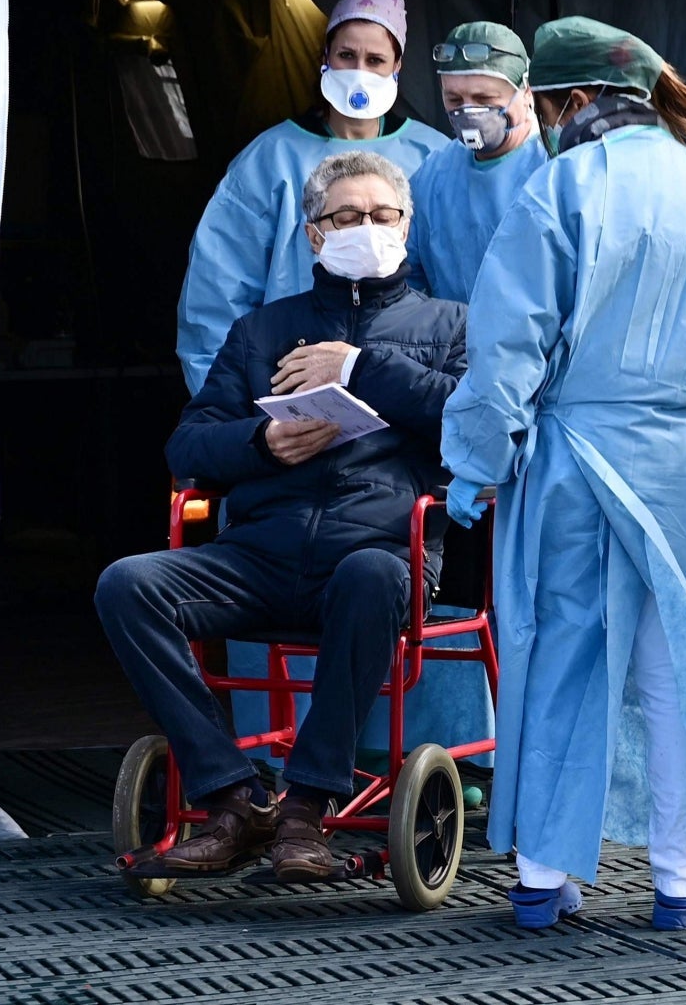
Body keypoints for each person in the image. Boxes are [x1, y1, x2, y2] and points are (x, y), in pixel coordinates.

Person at [440, 17, 686, 933]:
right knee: (675, 673)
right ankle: (678, 881)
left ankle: (542, 877)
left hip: (575, 466)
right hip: (683, 474)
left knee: (561, 661)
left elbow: (507, 350)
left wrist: (477, 463)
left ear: (572, 102)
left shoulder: (555, 191)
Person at [98, 151, 467, 885]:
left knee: (366, 573)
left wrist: (356, 367)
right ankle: (233, 797)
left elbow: (471, 423)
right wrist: (261, 442)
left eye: (382, 215)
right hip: (260, 555)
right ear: (312, 235)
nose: (366, 228)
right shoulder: (262, 331)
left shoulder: (452, 325)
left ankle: (307, 805)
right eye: (346, 217)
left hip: (378, 553)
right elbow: (187, 443)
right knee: (126, 584)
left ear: (408, 225)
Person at [175, 0, 446, 393]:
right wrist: (234, 414)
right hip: (289, 377)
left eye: (375, 60)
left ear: (397, 67)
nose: (359, 71)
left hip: (401, 377)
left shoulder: (435, 158)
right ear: (324, 58)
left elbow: (455, 286)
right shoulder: (270, 160)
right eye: (346, 56)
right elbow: (217, 295)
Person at [408, 20, 548, 302]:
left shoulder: (554, 167)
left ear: (526, 92)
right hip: (453, 340)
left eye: (484, 97)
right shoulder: (433, 175)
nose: (468, 111)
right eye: (454, 99)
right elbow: (409, 276)